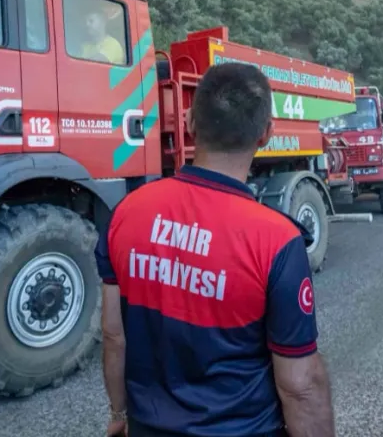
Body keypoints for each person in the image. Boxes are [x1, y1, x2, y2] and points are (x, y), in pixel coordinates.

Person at [96, 62, 336, 437]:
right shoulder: (277, 241)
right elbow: (301, 385)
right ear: (266, 135)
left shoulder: (126, 213)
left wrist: (119, 413)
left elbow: (114, 335)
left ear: (190, 122)